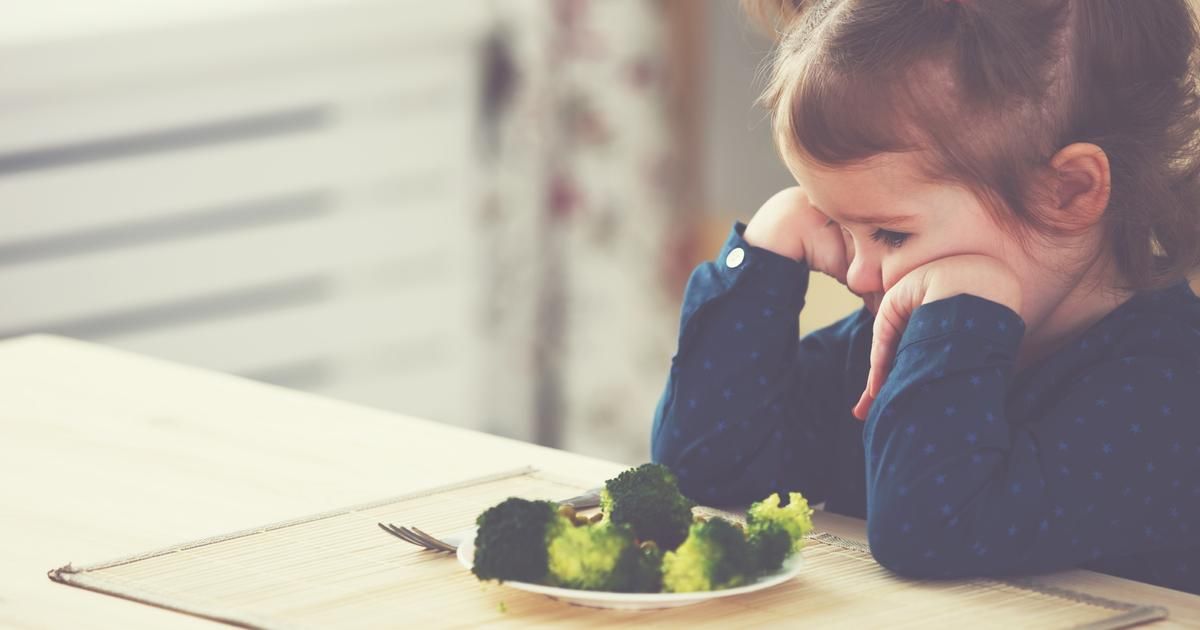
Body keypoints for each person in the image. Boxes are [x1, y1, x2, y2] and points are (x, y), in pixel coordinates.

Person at [651, 0, 1200, 594]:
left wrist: (963, 316)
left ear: (1066, 192)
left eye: (890, 234)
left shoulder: (1169, 389)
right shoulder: (894, 341)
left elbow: (928, 533)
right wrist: (762, 255)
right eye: (836, 223)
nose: (859, 274)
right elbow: (706, 473)